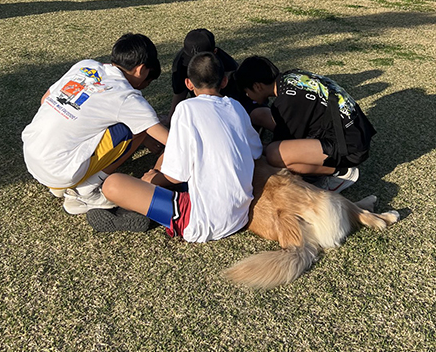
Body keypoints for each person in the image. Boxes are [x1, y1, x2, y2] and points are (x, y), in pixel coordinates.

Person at [92, 52, 263, 241]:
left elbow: (175, 176)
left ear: (188, 84)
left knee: (112, 185)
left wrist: (151, 180)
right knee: (168, 157)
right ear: (224, 81)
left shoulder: (186, 108)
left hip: (200, 220)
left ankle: (139, 210)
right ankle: (144, 206)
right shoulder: (236, 107)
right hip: (239, 216)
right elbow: (256, 150)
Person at [22, 33, 168, 218]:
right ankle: (86, 191)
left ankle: (61, 185)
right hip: (60, 170)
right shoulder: (127, 97)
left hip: (32, 155)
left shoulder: (85, 65)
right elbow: (169, 140)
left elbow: (46, 99)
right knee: (134, 128)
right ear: (141, 70)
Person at [234, 56, 376, 192]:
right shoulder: (291, 77)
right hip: (352, 131)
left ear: (257, 86)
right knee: (261, 118)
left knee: (274, 154)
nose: (248, 97)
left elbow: (281, 146)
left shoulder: (288, 101)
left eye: (247, 93)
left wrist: (254, 147)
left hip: (350, 147)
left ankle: (342, 173)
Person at [167, 28, 258, 122]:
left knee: (257, 113)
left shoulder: (229, 69)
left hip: (233, 103)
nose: (196, 64)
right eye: (191, 59)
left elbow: (232, 102)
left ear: (215, 52)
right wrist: (171, 119)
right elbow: (180, 90)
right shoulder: (181, 63)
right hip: (203, 102)